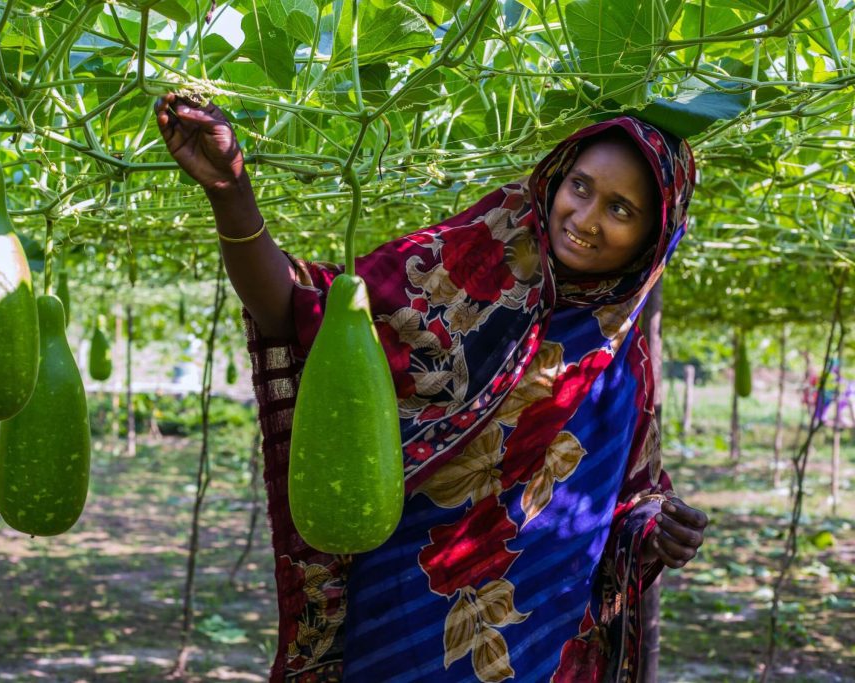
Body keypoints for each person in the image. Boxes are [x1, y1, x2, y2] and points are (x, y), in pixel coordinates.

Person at [155, 93, 709, 683]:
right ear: (556, 178)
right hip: (401, 613)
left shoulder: (627, 353)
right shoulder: (462, 264)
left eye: (621, 209)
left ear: (655, 236)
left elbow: (626, 497)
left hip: (539, 643)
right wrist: (230, 193)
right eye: (580, 186)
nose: (586, 218)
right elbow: (300, 312)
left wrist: (656, 527)